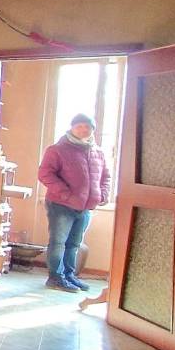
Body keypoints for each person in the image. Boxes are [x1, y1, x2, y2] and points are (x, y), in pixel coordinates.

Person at [37, 113, 112, 292]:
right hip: (61, 205)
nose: (83, 130)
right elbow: (45, 174)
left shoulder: (98, 152)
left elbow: (106, 177)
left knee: (74, 244)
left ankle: (69, 275)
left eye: (87, 127)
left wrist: (102, 195)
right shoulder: (57, 149)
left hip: (85, 208)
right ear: (72, 128)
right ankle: (55, 278)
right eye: (79, 126)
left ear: (92, 130)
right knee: (58, 243)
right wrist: (66, 194)